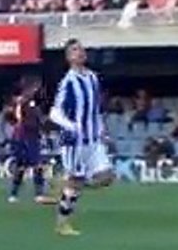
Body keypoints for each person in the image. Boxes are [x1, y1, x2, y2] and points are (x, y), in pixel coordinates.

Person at [49, 38, 115, 236]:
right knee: (74, 186)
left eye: (82, 49)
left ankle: (67, 183)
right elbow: (54, 113)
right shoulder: (68, 82)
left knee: (107, 177)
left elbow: (95, 110)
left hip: (93, 141)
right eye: (75, 50)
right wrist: (72, 126)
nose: (80, 52)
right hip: (73, 142)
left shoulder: (93, 78)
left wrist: (102, 129)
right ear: (69, 57)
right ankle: (62, 223)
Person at [8, 75, 54, 205]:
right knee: (35, 164)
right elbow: (28, 119)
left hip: (22, 136)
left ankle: (14, 194)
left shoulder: (23, 101)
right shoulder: (26, 102)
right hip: (26, 136)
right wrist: (43, 123)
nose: (38, 89)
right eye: (37, 86)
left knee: (21, 166)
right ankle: (38, 194)